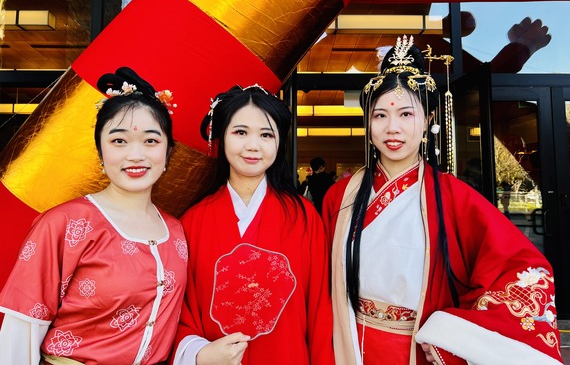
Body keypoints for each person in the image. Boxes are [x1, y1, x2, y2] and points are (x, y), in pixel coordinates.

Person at [322, 36, 563, 365]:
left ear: (428, 119)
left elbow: (524, 269)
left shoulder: (454, 197)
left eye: (406, 114)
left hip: (419, 349)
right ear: (368, 123)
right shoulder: (341, 195)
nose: (393, 128)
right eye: (380, 116)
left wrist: (454, 335)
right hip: (347, 342)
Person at [0, 67, 188, 364]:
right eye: (119, 141)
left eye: (151, 141)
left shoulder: (176, 232)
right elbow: (23, 329)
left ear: (168, 152)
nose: (135, 155)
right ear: (100, 152)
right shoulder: (65, 223)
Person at [171, 85, 334, 365]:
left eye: (266, 135)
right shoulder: (192, 222)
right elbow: (179, 312)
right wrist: (199, 354)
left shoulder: (305, 218)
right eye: (240, 132)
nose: (253, 146)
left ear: (279, 141)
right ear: (221, 137)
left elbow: (320, 311)